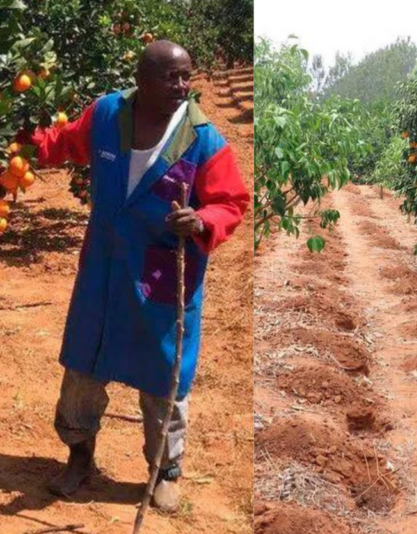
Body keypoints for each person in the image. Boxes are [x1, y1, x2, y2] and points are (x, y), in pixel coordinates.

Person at [22, 40, 250, 511]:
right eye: (171, 77)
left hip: (160, 274)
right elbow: (61, 143)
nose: (183, 86)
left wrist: (203, 221)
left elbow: (230, 202)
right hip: (104, 266)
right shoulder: (107, 114)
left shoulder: (202, 138)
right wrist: (15, 134)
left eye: (188, 76)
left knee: (162, 375)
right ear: (141, 80)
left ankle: (165, 469)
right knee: (85, 361)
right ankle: (79, 455)